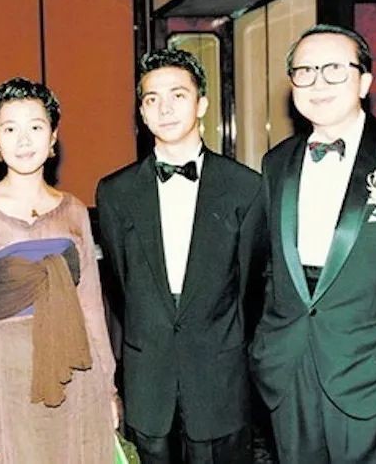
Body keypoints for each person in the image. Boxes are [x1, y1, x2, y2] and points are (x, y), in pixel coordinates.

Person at [249, 24, 376, 463]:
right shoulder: (276, 162)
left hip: (371, 369)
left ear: (364, 82)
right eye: (304, 71)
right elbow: (270, 269)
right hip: (287, 369)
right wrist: (265, 350)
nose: (317, 82)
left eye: (334, 70)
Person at [96, 48, 266, 464]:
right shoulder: (115, 193)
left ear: (202, 104)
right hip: (148, 378)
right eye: (152, 99)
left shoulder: (246, 187)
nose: (165, 108)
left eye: (178, 95)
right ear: (142, 112)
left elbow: (251, 290)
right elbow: (122, 285)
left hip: (219, 378)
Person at [0, 77, 118, 463]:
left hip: (76, 370)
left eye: (35, 127)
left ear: (53, 136)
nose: (24, 140)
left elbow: (92, 309)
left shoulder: (74, 210)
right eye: (10, 129)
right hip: (8, 376)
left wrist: (109, 389)